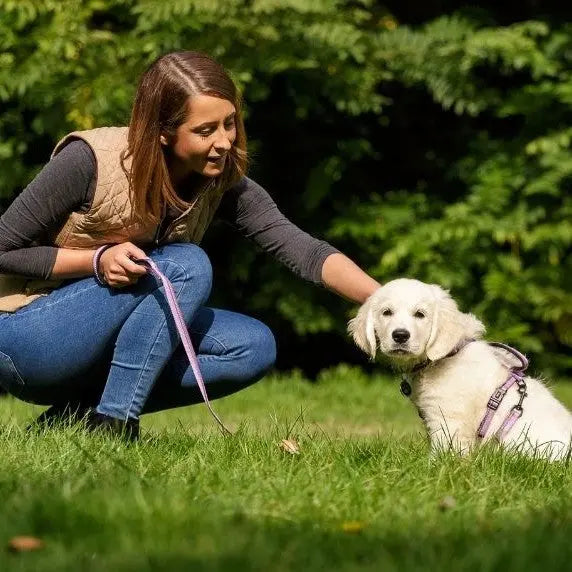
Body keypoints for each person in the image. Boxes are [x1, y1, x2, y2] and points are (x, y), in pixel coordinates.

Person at [0, 51, 381, 440]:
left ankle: (76, 418)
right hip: (27, 337)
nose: (224, 142)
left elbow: (304, 250)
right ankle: (115, 423)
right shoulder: (89, 161)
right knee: (185, 264)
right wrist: (95, 261)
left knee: (251, 346)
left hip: (98, 343)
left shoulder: (221, 182)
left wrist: (392, 301)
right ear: (163, 131)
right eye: (205, 131)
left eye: (229, 123)